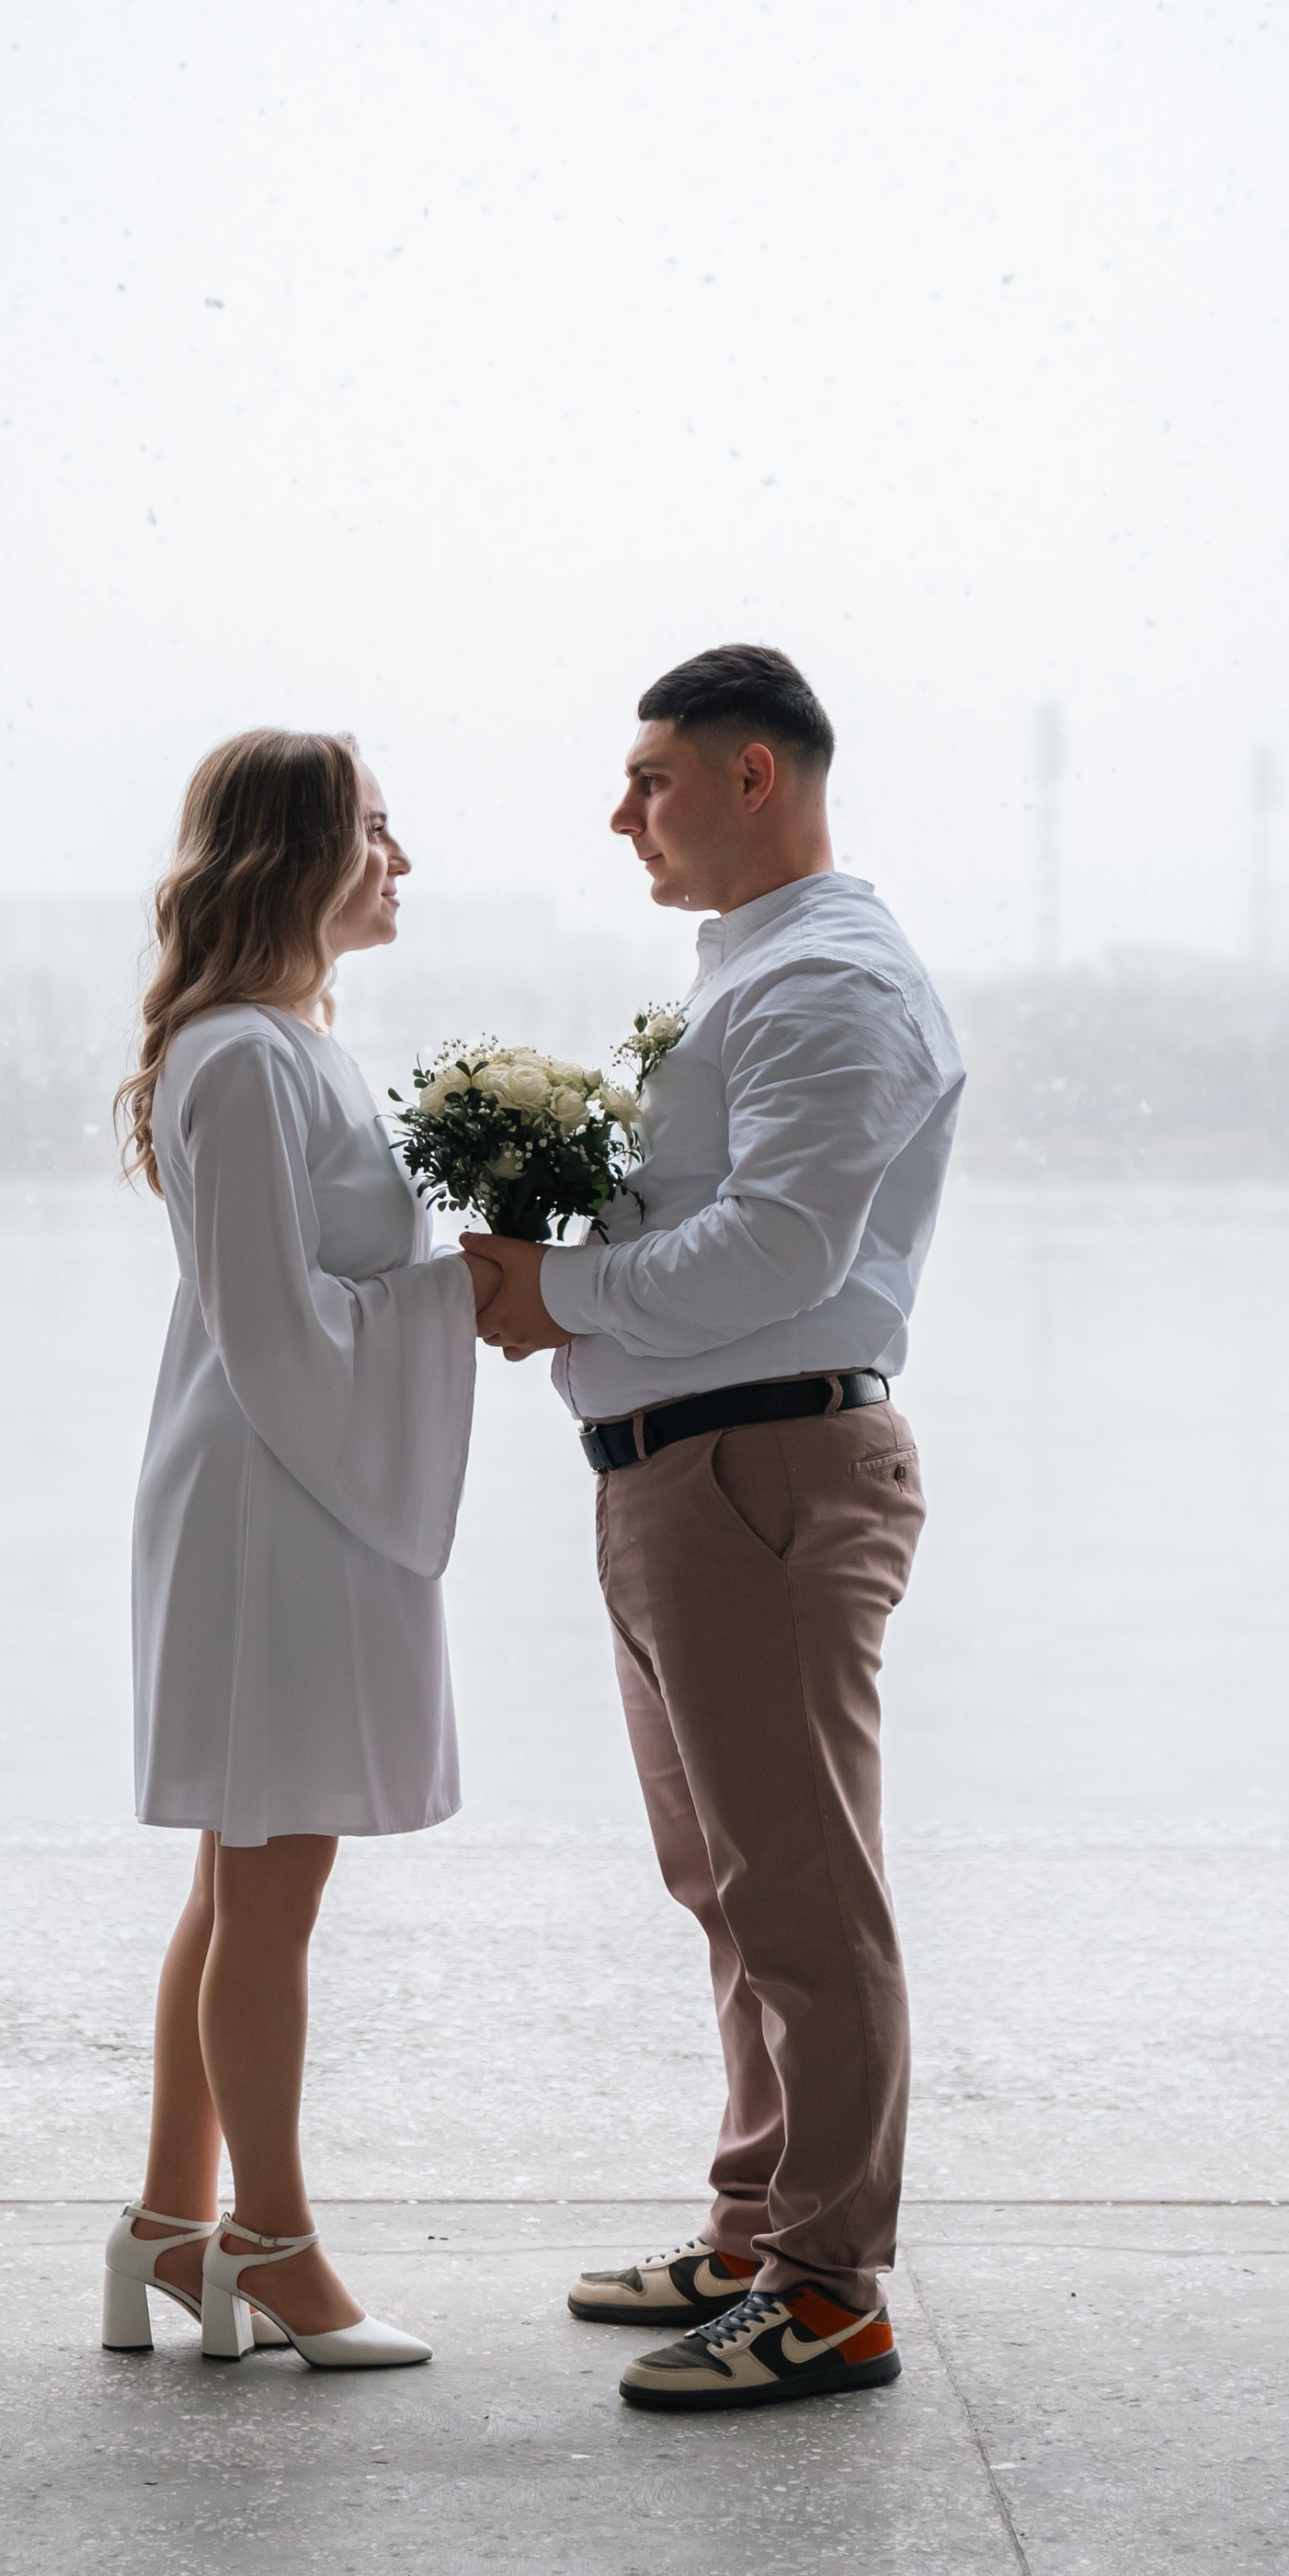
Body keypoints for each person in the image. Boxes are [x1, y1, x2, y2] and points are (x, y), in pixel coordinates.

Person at [463, 645, 964, 2414]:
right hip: (690, 1474)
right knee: (733, 1884)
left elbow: (780, 1251)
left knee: (804, 1895)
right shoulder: (757, 971)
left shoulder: (832, 982)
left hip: (764, 1476)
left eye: (651, 778)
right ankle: (761, 2228)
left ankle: (830, 2290)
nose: (623, 815)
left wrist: (558, 1286)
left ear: (759, 775)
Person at [108, 728, 476, 2373]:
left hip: (275, 1484)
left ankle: (166, 2228)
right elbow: (276, 1328)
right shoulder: (250, 1057)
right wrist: (465, 1296)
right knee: (272, 1888)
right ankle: (275, 2245)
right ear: (297, 854)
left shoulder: (281, 1044)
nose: (403, 861)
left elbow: (286, 1309)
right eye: (378, 832)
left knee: (235, 1874)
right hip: (275, 1502)